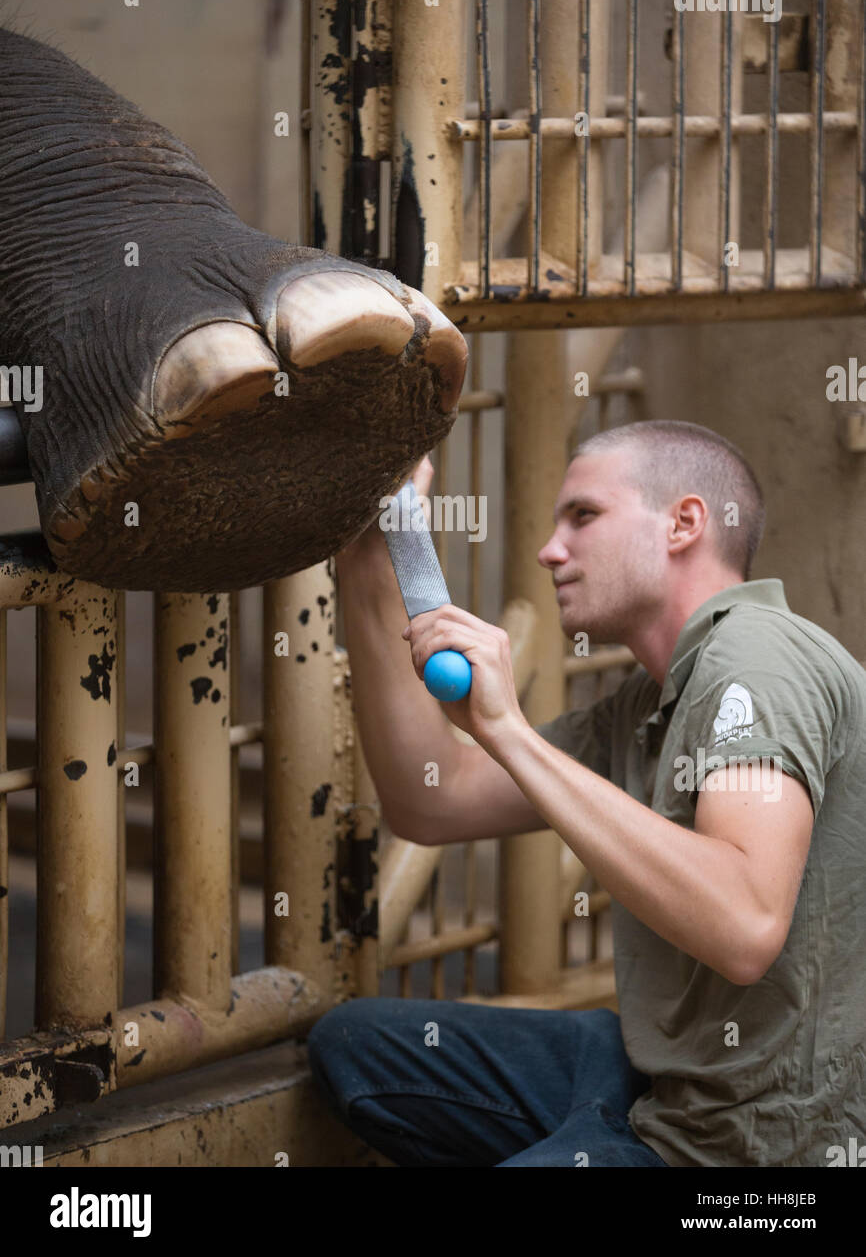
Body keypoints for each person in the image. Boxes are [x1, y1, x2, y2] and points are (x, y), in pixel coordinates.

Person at [307, 419, 866, 1167]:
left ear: (685, 523)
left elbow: (745, 923)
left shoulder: (757, 657)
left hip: (763, 1149)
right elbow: (433, 801)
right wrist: (380, 559)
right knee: (354, 1043)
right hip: (663, 1084)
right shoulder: (645, 704)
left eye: (584, 516)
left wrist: (509, 732)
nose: (549, 549)